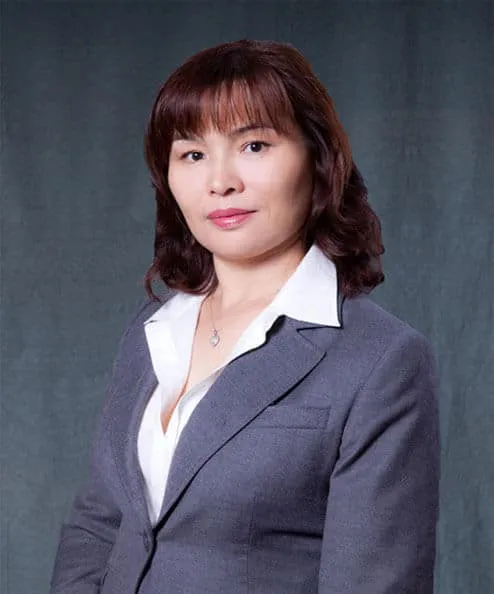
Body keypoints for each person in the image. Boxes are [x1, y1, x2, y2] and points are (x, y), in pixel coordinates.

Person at [50, 39, 440, 594]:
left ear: (318, 159)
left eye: (254, 145)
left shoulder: (382, 360)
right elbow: (99, 524)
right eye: (192, 154)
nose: (220, 181)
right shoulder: (152, 329)